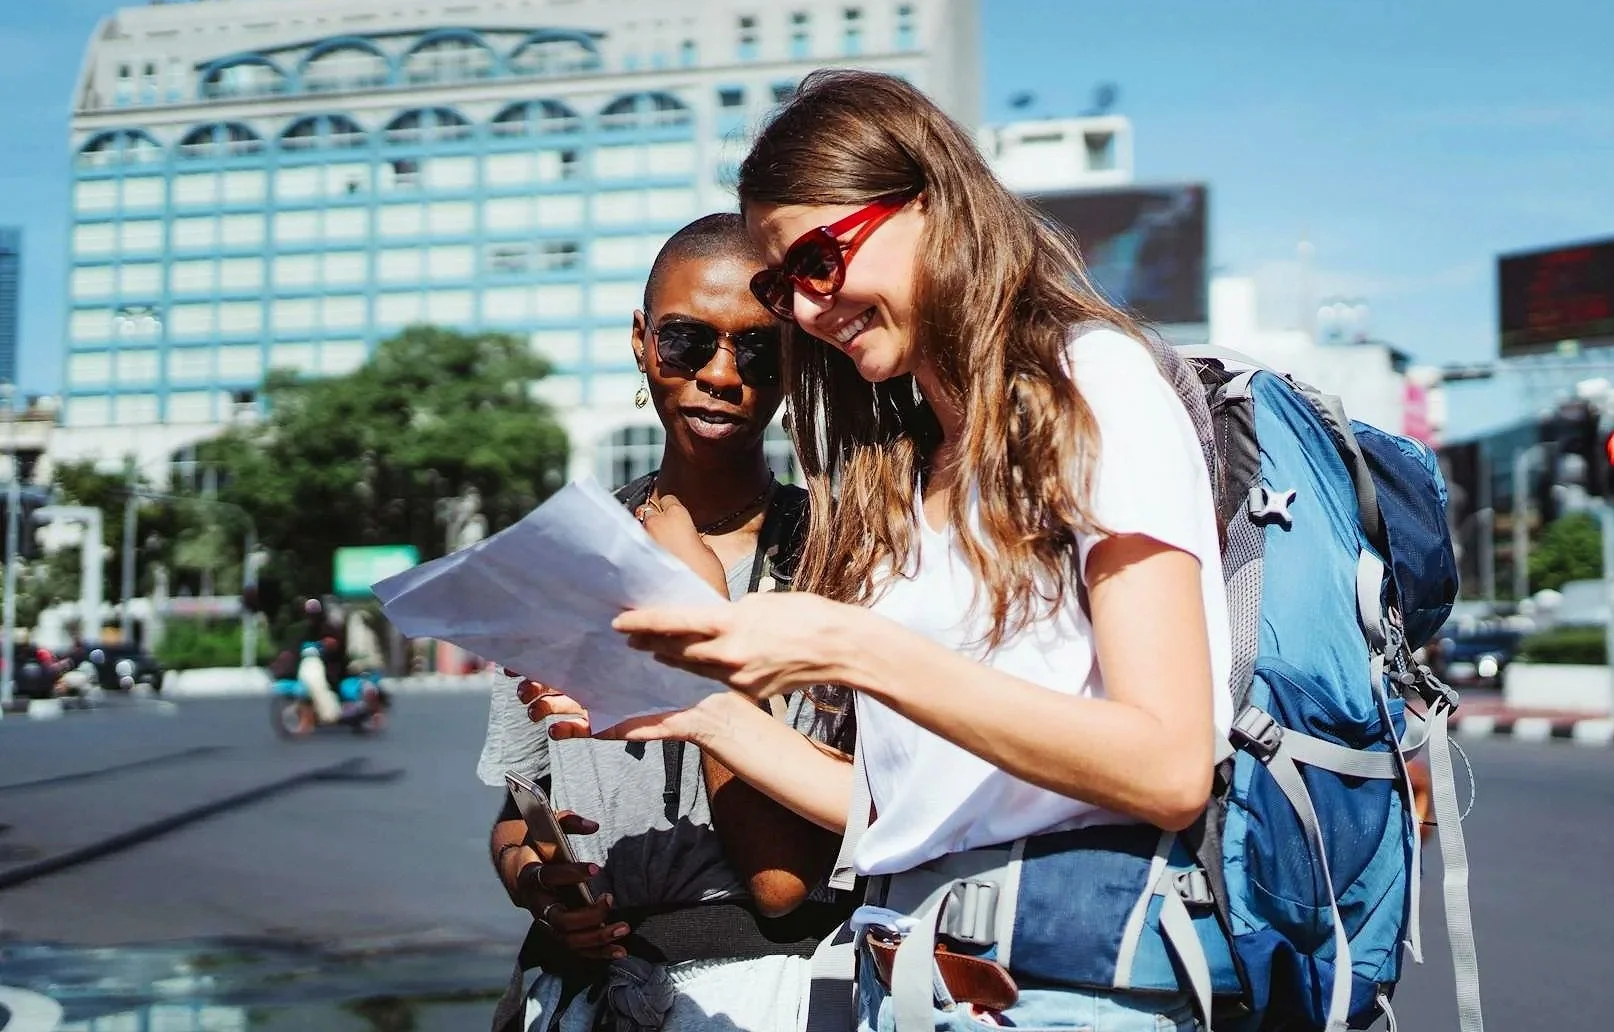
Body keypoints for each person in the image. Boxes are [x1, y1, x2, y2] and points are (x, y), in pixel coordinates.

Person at [517, 70, 1228, 1032]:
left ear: (932, 206)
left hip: (1070, 985)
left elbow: (1169, 766)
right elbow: (899, 812)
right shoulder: (909, 469)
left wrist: (851, 649)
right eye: (783, 285)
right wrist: (693, 710)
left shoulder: (1090, 383)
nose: (807, 313)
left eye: (819, 260)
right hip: (903, 980)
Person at [480, 213, 856, 1032]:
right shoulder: (563, 559)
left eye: (758, 349)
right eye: (689, 341)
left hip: (765, 989)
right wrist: (540, 886)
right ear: (644, 342)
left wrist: (699, 610)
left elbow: (781, 882)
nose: (722, 373)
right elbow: (517, 812)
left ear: (795, 365)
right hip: (575, 997)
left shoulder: (842, 560)